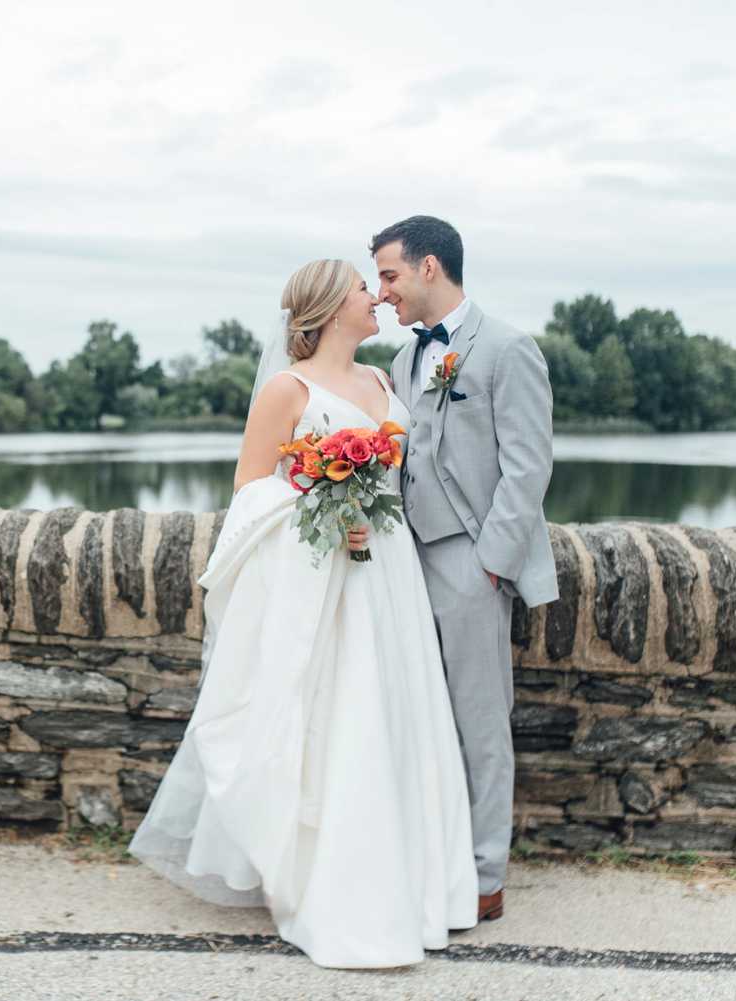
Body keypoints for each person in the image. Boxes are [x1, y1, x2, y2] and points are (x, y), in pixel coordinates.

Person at [129, 258, 479, 968]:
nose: (374, 296)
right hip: (327, 574)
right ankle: (339, 888)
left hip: (391, 573)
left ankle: (417, 884)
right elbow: (251, 490)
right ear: (327, 306)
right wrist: (325, 507)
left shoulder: (382, 382)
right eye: (361, 287)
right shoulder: (287, 390)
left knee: (396, 714)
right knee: (340, 718)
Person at [373, 215, 559, 922]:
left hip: (468, 559)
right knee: (418, 714)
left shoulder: (508, 348)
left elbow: (527, 465)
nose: (382, 291)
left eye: (390, 274)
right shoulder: (402, 361)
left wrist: (490, 566)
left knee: (482, 721)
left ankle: (486, 876)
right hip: (403, 559)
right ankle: (432, 856)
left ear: (428, 268)